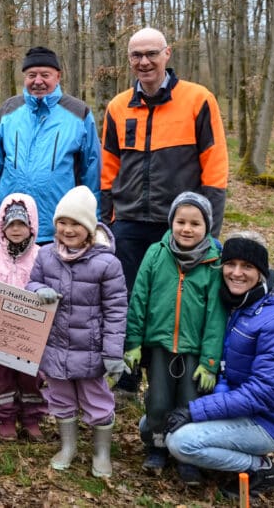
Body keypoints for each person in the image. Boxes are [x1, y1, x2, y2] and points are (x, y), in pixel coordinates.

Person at [101, 27, 228, 396]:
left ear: (167, 54)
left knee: (167, 302)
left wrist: (209, 229)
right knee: (124, 297)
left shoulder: (198, 100)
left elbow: (215, 167)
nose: (144, 62)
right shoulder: (118, 105)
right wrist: (108, 219)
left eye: (151, 53)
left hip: (178, 225)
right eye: (136, 55)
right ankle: (126, 376)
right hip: (127, 222)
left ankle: (166, 379)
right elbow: (109, 167)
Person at [164, 232, 274, 498]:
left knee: (181, 442)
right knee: (153, 422)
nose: (237, 273)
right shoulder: (231, 304)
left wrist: (195, 410)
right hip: (229, 402)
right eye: (230, 264)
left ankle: (260, 467)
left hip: (263, 421)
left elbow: (263, 393)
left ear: (261, 272)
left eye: (247, 266)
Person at [123, 192, 226, 482]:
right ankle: (156, 446)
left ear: (207, 226)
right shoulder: (157, 252)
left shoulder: (214, 262)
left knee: (189, 404)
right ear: (171, 222)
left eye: (195, 223)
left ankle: (185, 456)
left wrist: (209, 360)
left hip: (194, 350)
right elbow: (139, 297)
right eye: (180, 221)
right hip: (159, 346)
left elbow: (216, 316)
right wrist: (132, 343)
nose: (187, 228)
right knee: (157, 402)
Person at [26, 185, 127, 478]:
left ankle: (101, 452)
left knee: (97, 400)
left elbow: (117, 311)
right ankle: (68, 447)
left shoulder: (107, 263)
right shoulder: (46, 255)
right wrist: (40, 289)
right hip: (55, 346)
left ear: (89, 227)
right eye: (62, 222)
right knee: (60, 398)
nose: (68, 230)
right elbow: (31, 284)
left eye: (76, 224)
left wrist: (112, 353)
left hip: (91, 350)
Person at [0, 46, 101, 248]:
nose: (38, 81)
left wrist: (93, 222)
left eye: (45, 75)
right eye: (31, 75)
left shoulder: (79, 114)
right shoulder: (8, 111)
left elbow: (92, 174)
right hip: (12, 226)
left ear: (58, 76)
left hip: (59, 228)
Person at [0, 193, 47, 442]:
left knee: (31, 378)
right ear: (2, 227)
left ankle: (31, 418)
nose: (16, 230)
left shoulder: (43, 257)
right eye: (10, 225)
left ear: (31, 226)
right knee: (1, 376)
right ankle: (5, 418)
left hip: (31, 334)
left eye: (21, 224)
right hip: (0, 331)